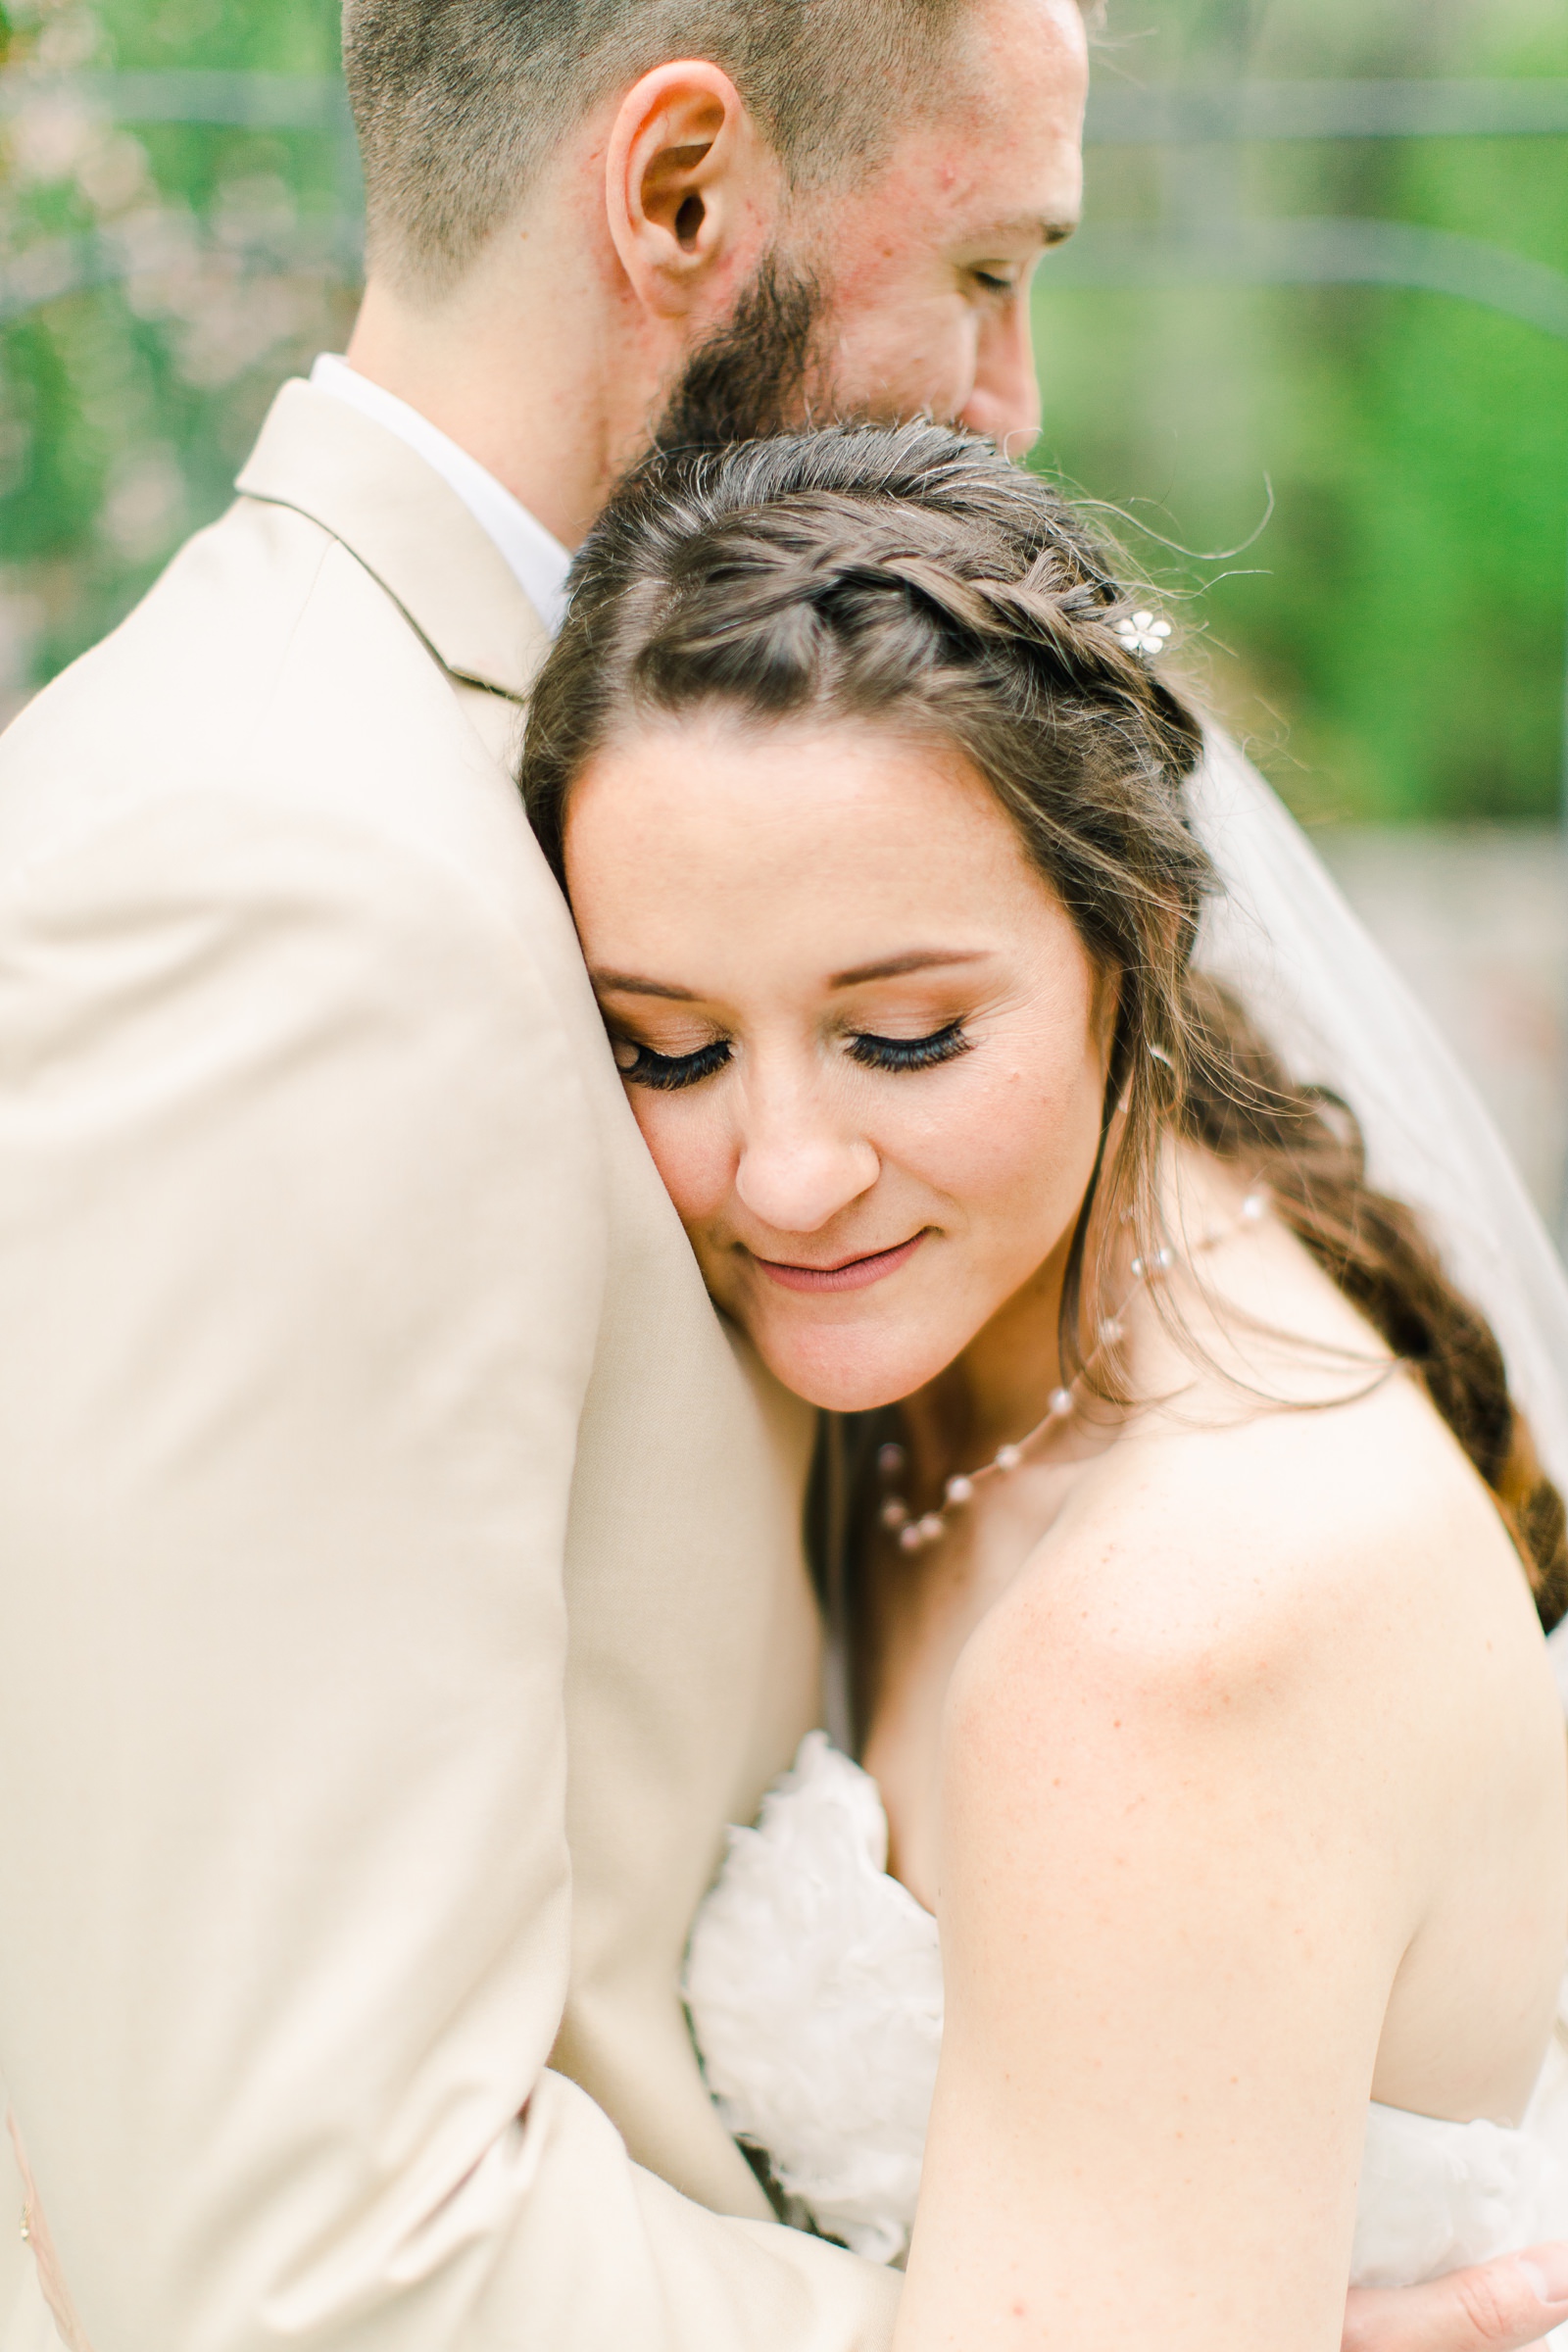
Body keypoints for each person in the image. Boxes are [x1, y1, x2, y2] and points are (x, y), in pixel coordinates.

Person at [0, 0, 1563, 2342]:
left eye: (905, 1031)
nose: (1014, 403)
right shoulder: (283, 880)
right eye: (986, 267)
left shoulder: (627, 768)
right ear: (678, 197)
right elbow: (292, 2257)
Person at [521, 420, 1568, 2350]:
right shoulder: (1021, 1309)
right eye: (666, 1054)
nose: (782, 1174)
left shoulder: (1174, 1642)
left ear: (1127, 946)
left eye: (900, 1037)